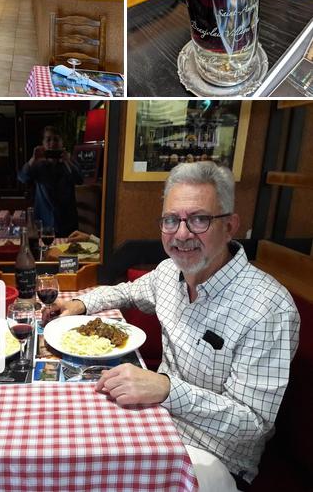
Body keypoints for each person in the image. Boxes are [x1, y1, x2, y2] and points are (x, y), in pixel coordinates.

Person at [46, 162, 300, 491]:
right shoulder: (169, 272)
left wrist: (167, 389)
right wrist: (81, 304)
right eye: (171, 220)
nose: (181, 234)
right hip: (153, 420)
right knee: (66, 443)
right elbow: (126, 291)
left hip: (214, 457)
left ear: (230, 226)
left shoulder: (269, 308)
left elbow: (252, 425)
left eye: (199, 219)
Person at [18, 126, 83, 237]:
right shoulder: (38, 164)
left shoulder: (70, 162)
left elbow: (79, 180)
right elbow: (22, 178)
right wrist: (33, 160)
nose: (52, 143)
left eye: (56, 139)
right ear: (43, 143)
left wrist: (67, 162)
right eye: (48, 139)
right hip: (43, 221)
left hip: (67, 222)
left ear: (62, 143)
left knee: (67, 253)